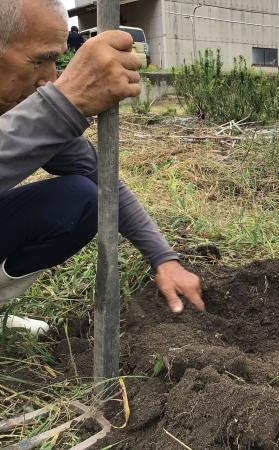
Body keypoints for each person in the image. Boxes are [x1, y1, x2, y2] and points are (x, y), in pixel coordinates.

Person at [0, 0, 204, 335]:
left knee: (82, 199)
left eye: (57, 59)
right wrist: (62, 105)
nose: (50, 79)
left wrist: (164, 258)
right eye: (40, 60)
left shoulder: (19, 102)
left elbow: (104, 181)